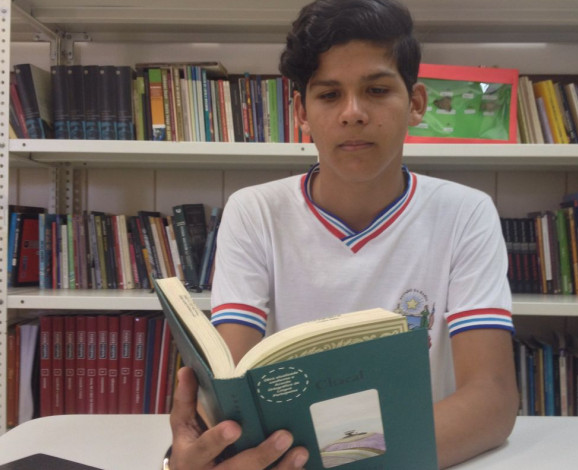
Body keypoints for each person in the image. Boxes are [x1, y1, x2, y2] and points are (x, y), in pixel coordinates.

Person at [167, 0, 519, 469]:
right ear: (301, 111)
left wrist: (333, 456)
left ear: (416, 104)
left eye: (376, 90)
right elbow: (231, 393)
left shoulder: (465, 213)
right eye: (330, 95)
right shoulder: (255, 212)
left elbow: (492, 399)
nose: (353, 113)